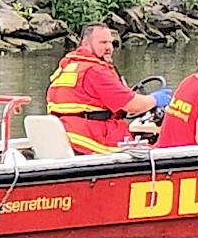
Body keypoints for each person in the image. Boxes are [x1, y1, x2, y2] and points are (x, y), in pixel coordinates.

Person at [45, 23, 160, 156]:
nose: (109, 48)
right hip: (89, 138)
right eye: (103, 42)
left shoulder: (68, 67)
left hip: (65, 132)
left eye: (111, 43)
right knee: (152, 147)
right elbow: (132, 105)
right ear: (86, 44)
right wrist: (155, 99)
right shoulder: (95, 71)